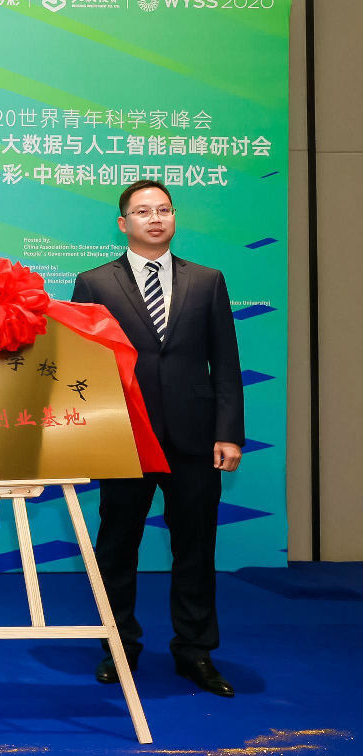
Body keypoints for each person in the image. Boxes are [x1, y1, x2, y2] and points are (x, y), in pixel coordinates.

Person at [72, 179, 243, 697]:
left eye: (164, 210)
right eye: (143, 211)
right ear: (123, 223)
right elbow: (80, 366)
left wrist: (228, 433)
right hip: (125, 436)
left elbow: (226, 363)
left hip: (195, 438)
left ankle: (195, 651)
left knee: (196, 547)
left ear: (174, 219)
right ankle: (118, 646)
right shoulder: (95, 283)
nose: (155, 218)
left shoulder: (207, 280)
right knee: (117, 546)